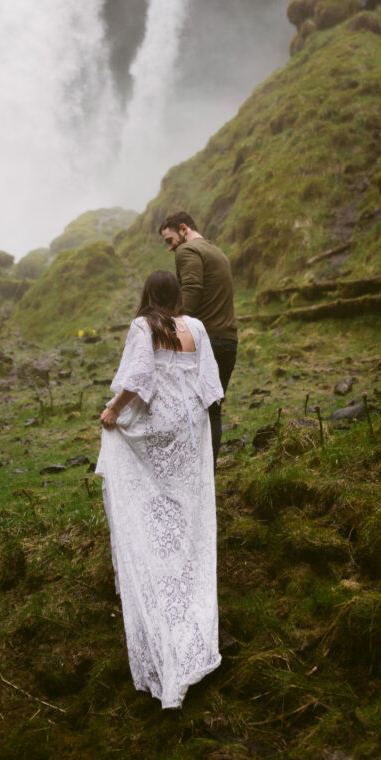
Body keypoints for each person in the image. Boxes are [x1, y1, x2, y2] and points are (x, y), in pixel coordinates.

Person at [96, 269, 223, 709]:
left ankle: (158, 563)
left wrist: (112, 411)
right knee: (187, 503)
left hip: (159, 428)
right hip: (191, 428)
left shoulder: (143, 326)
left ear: (148, 295)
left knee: (152, 494)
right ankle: (187, 582)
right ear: (176, 296)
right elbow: (210, 387)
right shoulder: (199, 328)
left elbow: (140, 381)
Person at [158, 211, 237, 466]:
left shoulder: (188, 251)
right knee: (213, 411)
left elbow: (192, 289)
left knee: (189, 411)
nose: (170, 248)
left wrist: (169, 327)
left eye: (170, 240)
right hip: (228, 342)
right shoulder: (217, 252)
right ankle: (206, 482)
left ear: (183, 228)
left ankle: (193, 480)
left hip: (206, 344)